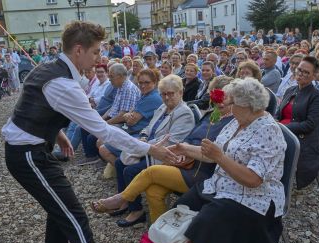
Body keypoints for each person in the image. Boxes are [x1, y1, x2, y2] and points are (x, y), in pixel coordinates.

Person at [1, 21, 175, 243]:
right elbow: (104, 131)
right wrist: (151, 148)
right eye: (95, 52)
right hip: (28, 156)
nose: (99, 58)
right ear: (79, 50)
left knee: (58, 206)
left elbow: (31, 107)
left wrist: (57, 133)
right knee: (74, 215)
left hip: (30, 150)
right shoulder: (63, 83)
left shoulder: (48, 68)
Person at [175, 78, 286, 243]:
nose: (226, 106)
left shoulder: (269, 130)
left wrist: (220, 157)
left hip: (255, 200)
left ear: (249, 106)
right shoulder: (237, 121)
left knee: (208, 220)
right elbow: (211, 155)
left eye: (232, 103)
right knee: (183, 207)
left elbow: (253, 180)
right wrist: (184, 148)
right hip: (224, 186)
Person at [91, 76, 234, 223]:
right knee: (153, 190)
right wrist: (144, 139)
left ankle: (122, 199)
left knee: (144, 171)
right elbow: (186, 137)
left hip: (200, 171)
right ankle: (158, 229)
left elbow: (210, 153)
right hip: (182, 160)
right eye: (214, 97)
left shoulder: (231, 122)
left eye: (222, 97)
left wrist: (181, 149)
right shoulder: (211, 115)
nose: (218, 102)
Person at [109, 74, 195, 227]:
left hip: (167, 155)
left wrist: (143, 145)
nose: (166, 97)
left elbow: (173, 141)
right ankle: (126, 203)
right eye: (163, 94)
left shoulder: (184, 113)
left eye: (171, 93)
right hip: (151, 148)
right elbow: (149, 127)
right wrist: (142, 137)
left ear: (180, 92)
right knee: (119, 163)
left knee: (130, 170)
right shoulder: (163, 107)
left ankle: (137, 212)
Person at [99, 69, 163, 177]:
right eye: (140, 82)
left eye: (146, 82)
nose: (142, 85)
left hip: (139, 134)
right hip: (131, 130)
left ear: (155, 82)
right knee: (102, 138)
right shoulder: (145, 95)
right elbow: (128, 115)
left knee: (103, 147)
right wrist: (128, 115)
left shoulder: (152, 98)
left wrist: (128, 115)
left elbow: (131, 120)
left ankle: (127, 173)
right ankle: (122, 170)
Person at [276, 56, 319, 189]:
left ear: (314, 76)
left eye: (306, 72)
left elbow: (310, 125)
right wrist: (273, 122)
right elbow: (278, 113)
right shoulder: (290, 90)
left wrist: (283, 128)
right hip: (281, 129)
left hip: (299, 136)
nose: (300, 74)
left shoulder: (316, 95)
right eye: (299, 70)